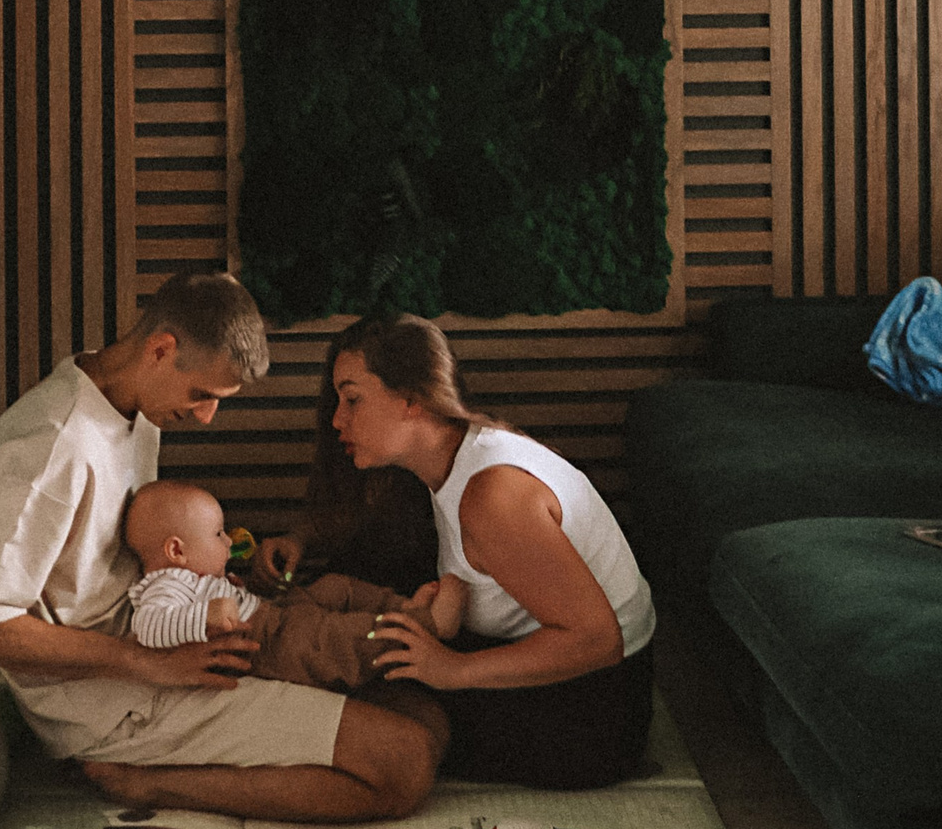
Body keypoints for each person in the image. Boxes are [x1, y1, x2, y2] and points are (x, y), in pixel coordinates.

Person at [0, 270, 446, 820]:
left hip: (168, 633)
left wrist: (213, 583)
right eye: (202, 395)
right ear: (161, 349)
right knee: (406, 762)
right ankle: (144, 783)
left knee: (426, 714)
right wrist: (148, 664)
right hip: (108, 696)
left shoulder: (126, 399)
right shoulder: (53, 449)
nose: (205, 416)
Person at [256, 313, 655, 787]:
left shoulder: (493, 496)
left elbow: (598, 640)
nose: (337, 418)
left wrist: (454, 670)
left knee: (360, 697)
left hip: (590, 715)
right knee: (362, 621)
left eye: (353, 399)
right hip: (574, 677)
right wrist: (300, 540)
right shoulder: (458, 451)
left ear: (412, 399)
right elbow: (362, 522)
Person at [123, 478, 467, 689]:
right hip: (265, 646)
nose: (228, 542)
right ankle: (429, 623)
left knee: (333, 587)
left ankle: (403, 607)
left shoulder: (200, 578)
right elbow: (148, 625)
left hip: (276, 615)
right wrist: (207, 616)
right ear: (176, 551)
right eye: (217, 534)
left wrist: (247, 589)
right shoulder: (164, 583)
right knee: (334, 639)